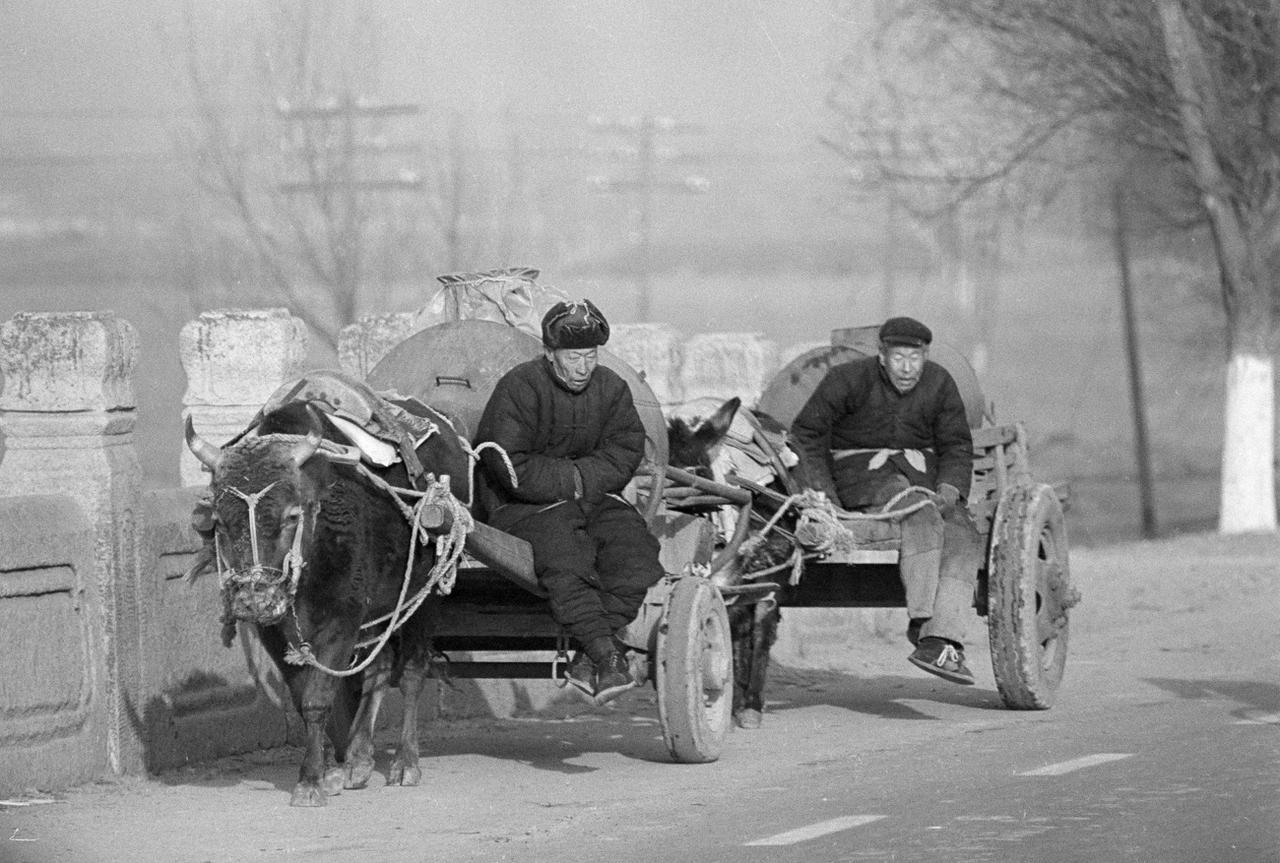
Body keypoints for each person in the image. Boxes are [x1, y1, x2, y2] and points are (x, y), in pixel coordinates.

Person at [474, 299, 665, 704]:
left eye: (590, 356)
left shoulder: (611, 388)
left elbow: (626, 449)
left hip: (593, 500)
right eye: (573, 357)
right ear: (549, 353)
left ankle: (587, 656)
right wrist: (572, 480)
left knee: (638, 555)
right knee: (567, 560)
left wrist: (582, 482)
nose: (583, 367)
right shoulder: (520, 387)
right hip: (524, 506)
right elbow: (506, 461)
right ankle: (608, 656)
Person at [789, 316, 983, 685]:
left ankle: (941, 640)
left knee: (963, 535)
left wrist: (950, 488)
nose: (907, 368)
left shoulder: (940, 383)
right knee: (921, 516)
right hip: (864, 478)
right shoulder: (847, 380)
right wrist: (823, 495)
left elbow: (956, 444)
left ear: (925, 355)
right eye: (899, 358)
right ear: (882, 355)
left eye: (915, 358)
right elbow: (806, 435)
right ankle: (923, 620)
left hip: (925, 478)